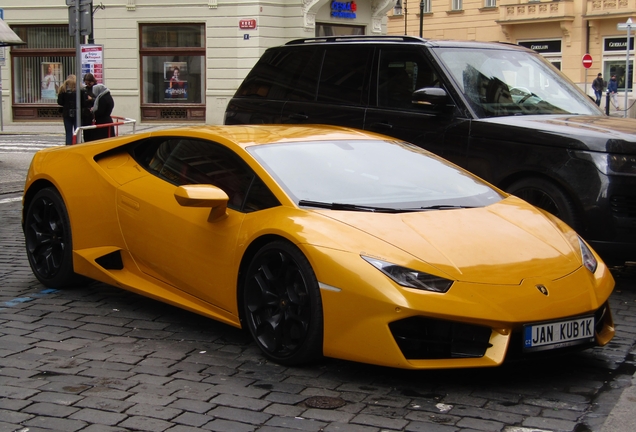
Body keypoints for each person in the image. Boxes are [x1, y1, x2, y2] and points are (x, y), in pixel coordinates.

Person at [57, 75, 90, 145]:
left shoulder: (63, 89)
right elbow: (84, 102)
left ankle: (68, 147)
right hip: (78, 113)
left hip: (66, 113)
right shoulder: (81, 89)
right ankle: (77, 146)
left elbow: (60, 102)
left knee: (68, 132)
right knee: (77, 132)